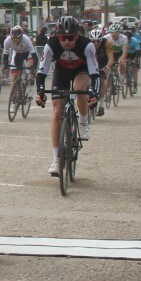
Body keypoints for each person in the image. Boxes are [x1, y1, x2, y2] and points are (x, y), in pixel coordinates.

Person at [35, 16, 101, 176]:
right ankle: (56, 160)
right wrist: (40, 92)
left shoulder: (87, 45)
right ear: (58, 36)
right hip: (62, 72)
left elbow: (95, 73)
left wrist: (95, 93)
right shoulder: (51, 45)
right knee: (57, 112)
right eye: (62, 38)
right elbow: (41, 72)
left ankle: (84, 122)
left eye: (70, 38)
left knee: (79, 89)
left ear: (76, 36)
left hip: (82, 70)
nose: (66, 42)